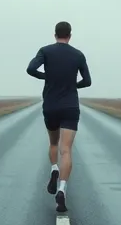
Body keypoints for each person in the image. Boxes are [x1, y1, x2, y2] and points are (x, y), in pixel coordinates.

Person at [26, 20, 91, 213]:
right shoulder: (78, 55)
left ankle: (54, 169)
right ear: (70, 35)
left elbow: (30, 69)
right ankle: (62, 189)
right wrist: (72, 86)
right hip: (70, 106)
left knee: (54, 144)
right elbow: (87, 81)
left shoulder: (45, 51)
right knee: (66, 150)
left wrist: (46, 77)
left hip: (51, 105)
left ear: (55, 35)